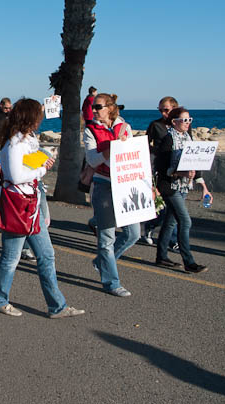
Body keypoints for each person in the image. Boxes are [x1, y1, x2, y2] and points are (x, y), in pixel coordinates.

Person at [0, 98, 85, 319]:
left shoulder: (26, 139)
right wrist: (41, 170)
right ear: (29, 117)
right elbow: (15, 176)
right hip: (18, 204)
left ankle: (57, 306)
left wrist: (41, 163)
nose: (40, 119)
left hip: (30, 205)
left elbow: (25, 167)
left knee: (46, 255)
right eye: (38, 115)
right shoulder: (15, 143)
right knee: (11, 257)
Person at [85, 93, 140, 297]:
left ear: (110, 107)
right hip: (103, 185)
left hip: (124, 185)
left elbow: (132, 155)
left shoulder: (124, 127)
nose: (94, 111)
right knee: (106, 239)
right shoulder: (91, 129)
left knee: (133, 233)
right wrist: (109, 150)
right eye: (93, 107)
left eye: (98, 107)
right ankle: (111, 282)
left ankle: (101, 262)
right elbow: (91, 160)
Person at [154, 107, 210, 273]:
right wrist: (180, 172)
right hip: (170, 186)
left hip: (184, 185)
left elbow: (195, 162)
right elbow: (161, 167)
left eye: (189, 120)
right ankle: (189, 261)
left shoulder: (188, 138)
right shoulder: (168, 139)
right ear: (174, 122)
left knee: (170, 222)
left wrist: (204, 186)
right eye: (184, 120)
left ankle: (161, 257)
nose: (188, 123)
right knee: (185, 221)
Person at [141, 96, 179, 246]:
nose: (163, 113)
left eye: (166, 110)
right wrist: (158, 151)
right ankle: (151, 225)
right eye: (161, 110)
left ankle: (173, 240)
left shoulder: (182, 124)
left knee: (176, 208)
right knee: (162, 206)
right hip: (160, 170)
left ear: (174, 109)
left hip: (177, 172)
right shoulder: (155, 125)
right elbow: (144, 142)